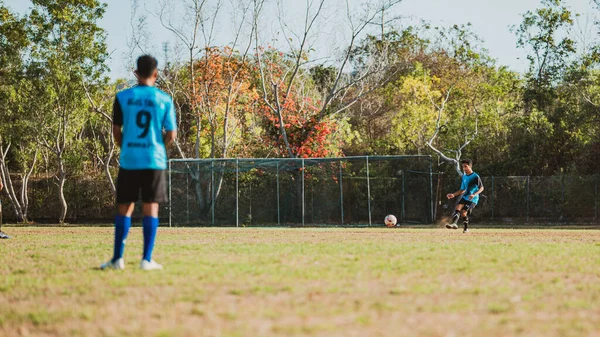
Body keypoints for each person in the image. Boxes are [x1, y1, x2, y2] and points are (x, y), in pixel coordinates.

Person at [101, 55, 177, 270]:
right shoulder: (164, 99)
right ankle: (146, 260)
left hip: (130, 159)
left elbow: (116, 132)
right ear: (156, 73)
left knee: (124, 207)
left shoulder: (123, 97)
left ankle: (117, 260)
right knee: (150, 208)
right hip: (154, 159)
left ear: (136, 72)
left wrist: (126, 147)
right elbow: (171, 134)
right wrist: (158, 147)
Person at [446, 159, 484, 233]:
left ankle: (466, 228)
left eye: (466, 166)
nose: (464, 168)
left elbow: (482, 187)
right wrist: (453, 194)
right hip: (465, 196)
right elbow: (462, 190)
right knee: (457, 208)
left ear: (470, 166)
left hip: (473, 199)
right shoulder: (464, 177)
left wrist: (474, 194)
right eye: (463, 167)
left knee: (463, 212)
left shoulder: (475, 176)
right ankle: (454, 223)